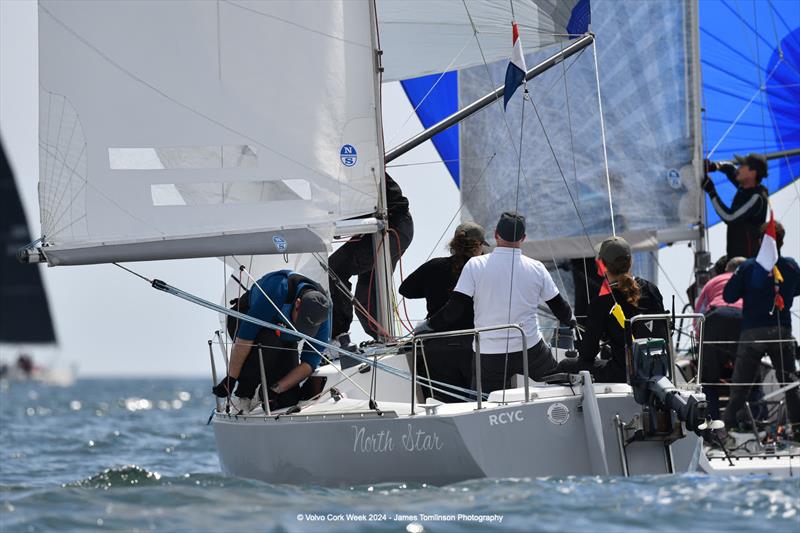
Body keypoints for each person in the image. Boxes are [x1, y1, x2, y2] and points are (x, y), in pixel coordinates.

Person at [418, 212, 574, 393]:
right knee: (559, 387)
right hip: (530, 349)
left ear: (495, 234)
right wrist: (571, 320)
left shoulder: (475, 265)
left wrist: (428, 325)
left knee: (485, 402)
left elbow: (454, 310)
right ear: (523, 238)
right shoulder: (537, 267)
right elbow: (559, 307)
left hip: (489, 353)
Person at [212, 270, 331, 413]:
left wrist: (275, 390)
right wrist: (231, 379)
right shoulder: (277, 290)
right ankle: (243, 395)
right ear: (297, 304)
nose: (302, 329)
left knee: (288, 399)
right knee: (269, 343)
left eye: (307, 329)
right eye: (301, 324)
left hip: (284, 339)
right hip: (244, 323)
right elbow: (245, 337)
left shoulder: (323, 314)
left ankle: (261, 394)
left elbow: (309, 362)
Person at [722, 221, 800, 431]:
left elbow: (728, 296)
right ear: (781, 241)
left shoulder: (748, 267)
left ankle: (729, 428)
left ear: (760, 241)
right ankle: (798, 428)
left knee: (741, 386)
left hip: (753, 333)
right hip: (781, 332)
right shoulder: (791, 266)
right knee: (790, 384)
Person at [557, 236, 667, 383]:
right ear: (630, 261)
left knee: (566, 365)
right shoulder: (652, 290)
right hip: (658, 370)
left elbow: (588, 354)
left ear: (602, 266)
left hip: (625, 374)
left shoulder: (601, 303)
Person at [399, 222, 487, 402]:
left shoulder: (434, 266)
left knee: (447, 405)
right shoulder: (483, 269)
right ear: (478, 246)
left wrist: (431, 290)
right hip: (475, 345)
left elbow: (405, 290)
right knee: (480, 404)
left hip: (437, 347)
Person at [328, 173, 414, 345]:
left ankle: (339, 336)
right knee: (365, 295)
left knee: (334, 269)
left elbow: (395, 203)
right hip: (386, 228)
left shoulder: (358, 164)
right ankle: (384, 340)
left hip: (391, 226)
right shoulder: (348, 166)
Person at [695, 256, 745, 419]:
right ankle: (747, 422)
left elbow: (699, 313)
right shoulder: (747, 279)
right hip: (741, 319)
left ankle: (712, 425)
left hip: (714, 320)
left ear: (726, 269)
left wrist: (699, 339)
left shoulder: (713, 282)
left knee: (708, 380)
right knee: (748, 376)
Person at [702, 153, 769, 259]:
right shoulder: (745, 186)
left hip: (746, 263)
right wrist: (714, 166)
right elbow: (729, 168)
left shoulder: (757, 198)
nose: (738, 169)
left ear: (752, 173)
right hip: (735, 259)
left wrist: (711, 191)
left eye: (742, 166)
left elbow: (730, 217)